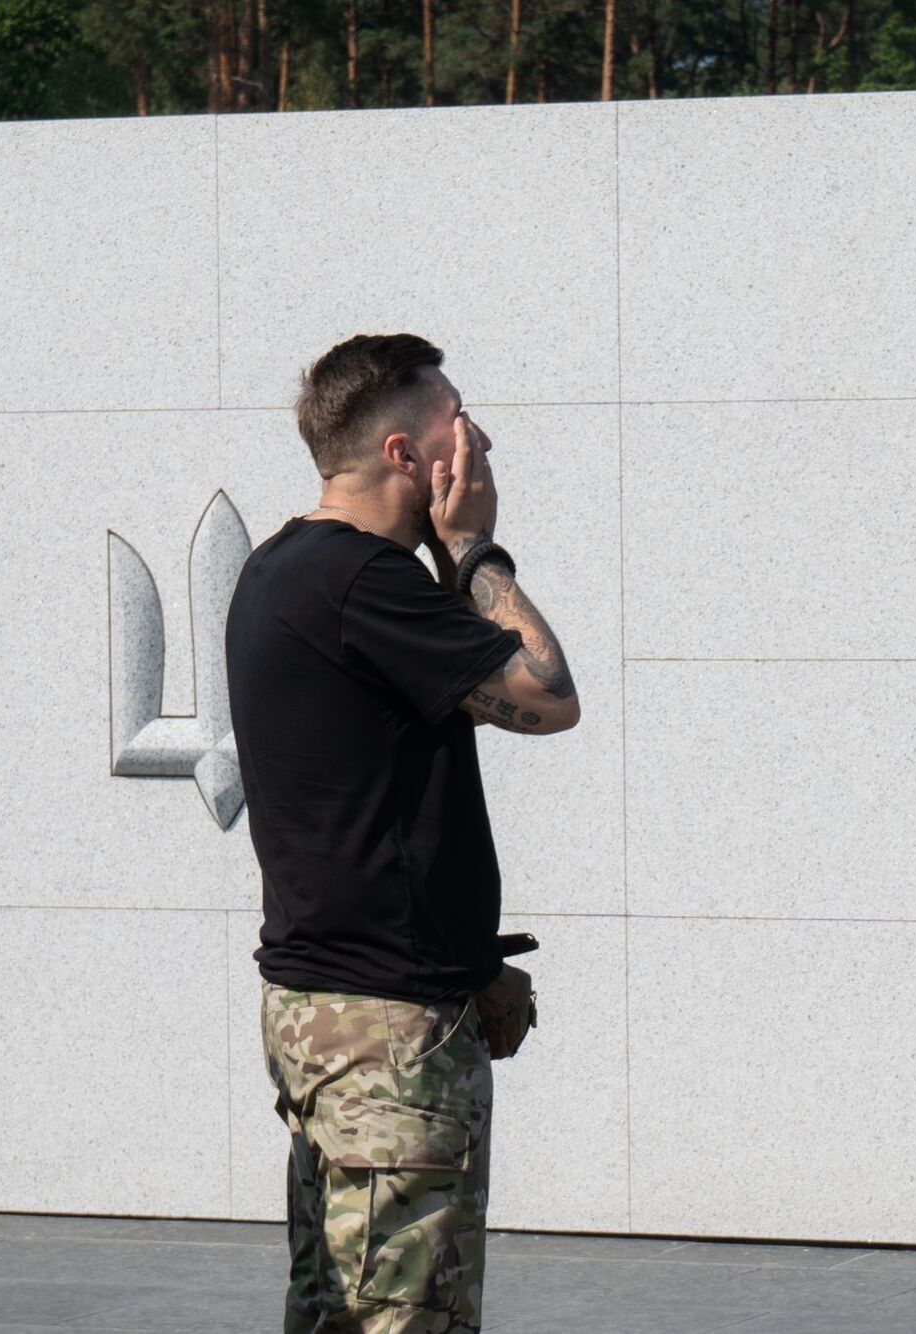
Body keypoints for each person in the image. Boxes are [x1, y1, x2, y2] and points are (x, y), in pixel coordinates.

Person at [225, 334, 580, 1333]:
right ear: (403, 454)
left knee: (339, 1308)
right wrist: (473, 549)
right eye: (458, 419)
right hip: (384, 1034)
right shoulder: (363, 585)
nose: (481, 439)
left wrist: (468, 965)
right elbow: (547, 694)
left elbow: (368, 828)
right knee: (401, 1318)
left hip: (347, 1007)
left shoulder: (287, 570)